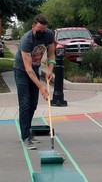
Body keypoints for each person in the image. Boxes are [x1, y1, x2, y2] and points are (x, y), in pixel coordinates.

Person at [14, 14, 55, 150]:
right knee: (25, 104)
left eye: (43, 30)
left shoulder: (49, 34)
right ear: (33, 26)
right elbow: (28, 69)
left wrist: (50, 69)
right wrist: (42, 88)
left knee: (33, 104)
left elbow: (51, 54)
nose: (41, 33)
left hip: (35, 69)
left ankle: (28, 131)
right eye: (39, 30)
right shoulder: (26, 40)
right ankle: (25, 137)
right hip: (22, 71)